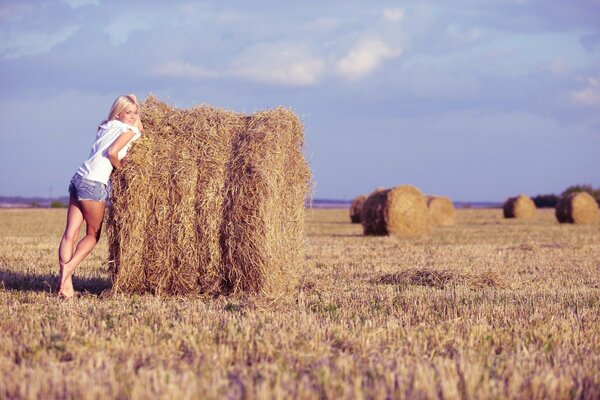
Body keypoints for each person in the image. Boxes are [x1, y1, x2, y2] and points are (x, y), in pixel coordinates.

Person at [56, 94, 143, 298]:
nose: (132, 116)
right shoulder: (129, 130)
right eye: (128, 112)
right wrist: (120, 170)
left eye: (135, 113)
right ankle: (66, 273)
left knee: (70, 233)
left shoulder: (106, 126)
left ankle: (66, 287)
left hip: (78, 178)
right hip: (94, 183)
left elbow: (127, 125)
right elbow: (114, 152)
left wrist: (133, 103)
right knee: (92, 235)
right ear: (119, 113)